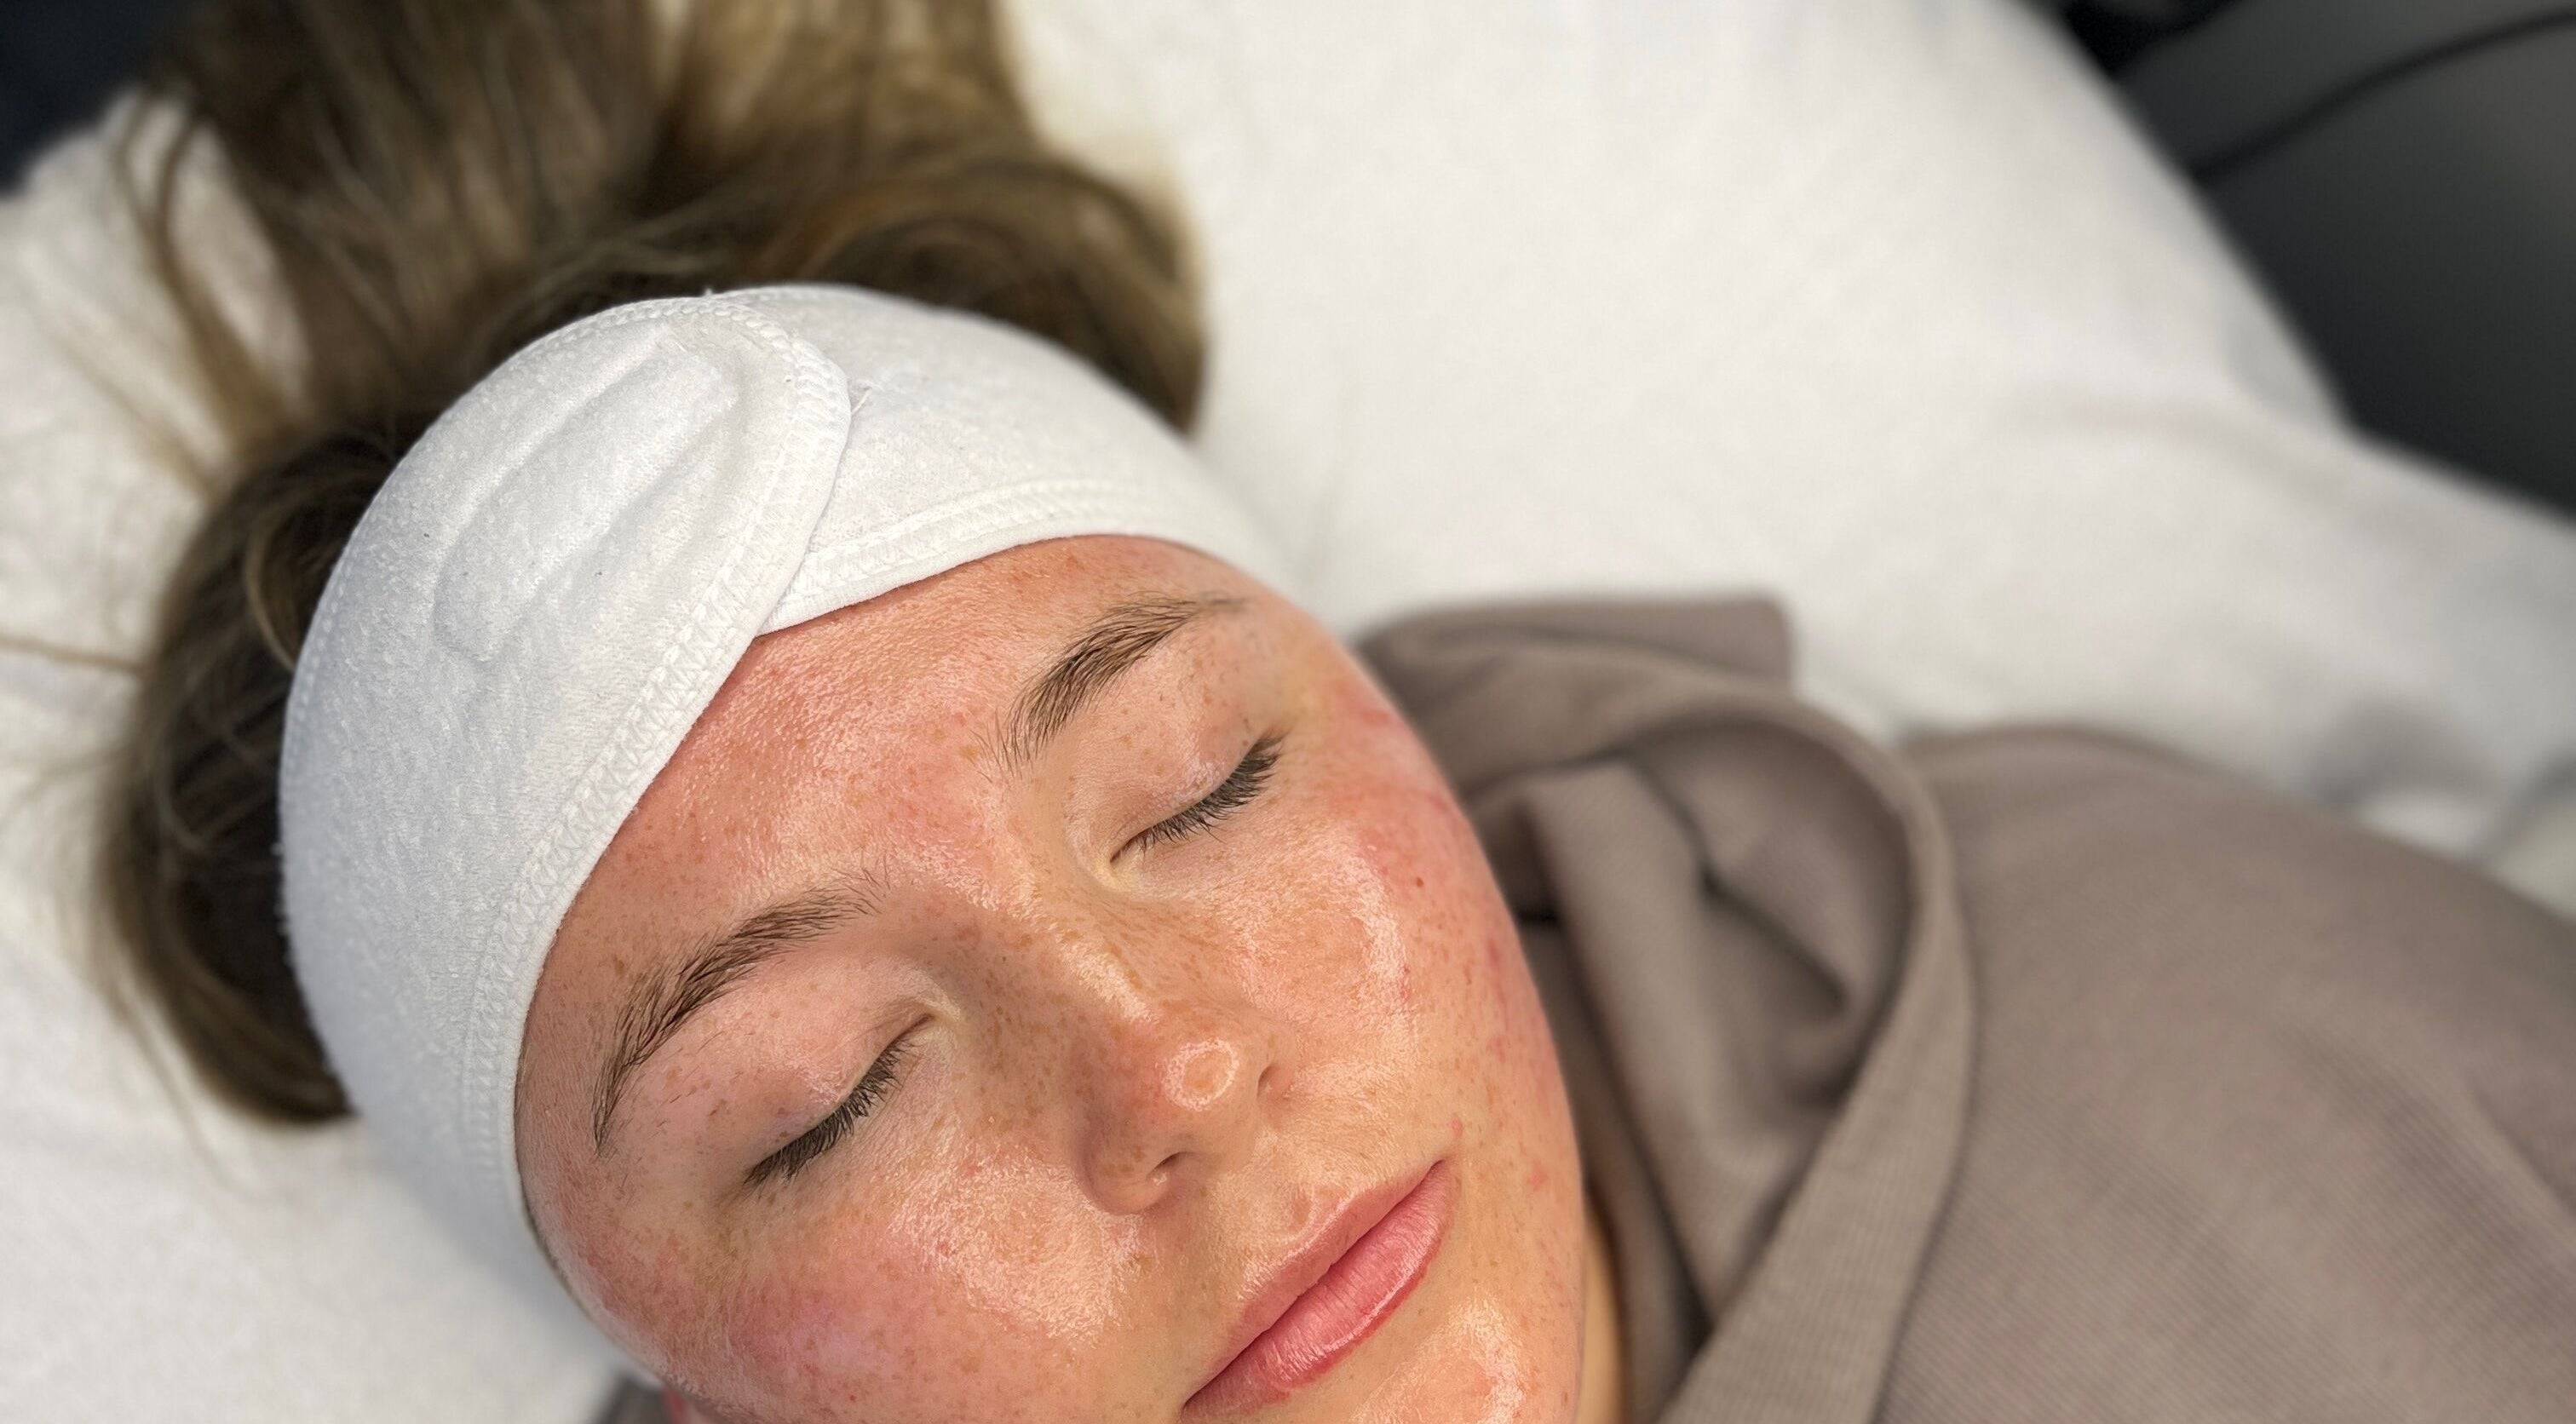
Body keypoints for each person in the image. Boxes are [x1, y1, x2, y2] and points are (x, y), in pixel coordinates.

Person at [96, 2, 2576, 1421]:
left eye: (1206, 784)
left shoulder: (2239, 1052)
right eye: (830, 1096)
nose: (1166, 1070)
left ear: (1408, 737)